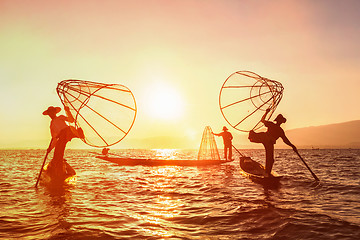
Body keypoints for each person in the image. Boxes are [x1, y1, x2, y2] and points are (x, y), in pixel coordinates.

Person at [248, 109, 297, 177]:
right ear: (278, 120)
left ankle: (267, 172)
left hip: (269, 142)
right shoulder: (271, 124)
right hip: (264, 137)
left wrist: (292, 146)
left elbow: (285, 140)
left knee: (271, 159)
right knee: (252, 134)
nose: (280, 122)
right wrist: (266, 112)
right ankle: (267, 173)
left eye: (281, 121)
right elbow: (262, 120)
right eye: (279, 120)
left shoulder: (280, 131)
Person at [43, 106, 84, 180]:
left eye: (52, 112)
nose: (51, 114)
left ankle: (78, 133)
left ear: (55, 112)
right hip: (62, 137)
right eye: (49, 113)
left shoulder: (60, 117)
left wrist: (68, 111)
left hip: (68, 131)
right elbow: (54, 139)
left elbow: (71, 120)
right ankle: (59, 171)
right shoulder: (52, 125)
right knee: (57, 154)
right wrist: (50, 148)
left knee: (58, 153)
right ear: (48, 114)